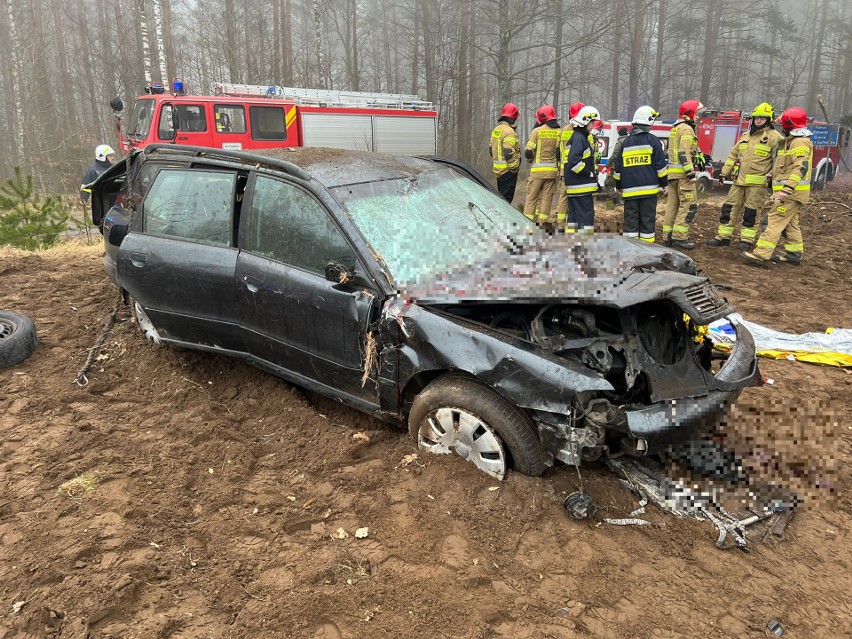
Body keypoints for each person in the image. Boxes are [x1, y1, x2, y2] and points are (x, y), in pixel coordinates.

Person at [742, 107, 813, 266]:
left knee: (773, 220)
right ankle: (794, 254)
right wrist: (773, 175)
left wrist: (787, 190)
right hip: (791, 192)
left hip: (790, 193)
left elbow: (800, 167)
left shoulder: (800, 141)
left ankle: (761, 254)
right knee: (790, 223)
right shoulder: (793, 140)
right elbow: (786, 166)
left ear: (790, 123)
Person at [708, 103, 784, 249]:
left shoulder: (775, 138)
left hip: (757, 185)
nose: (758, 121)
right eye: (756, 118)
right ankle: (723, 237)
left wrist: (773, 177)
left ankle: (746, 240)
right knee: (728, 208)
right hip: (738, 182)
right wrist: (724, 173)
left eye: (762, 118)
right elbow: (732, 155)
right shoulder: (745, 136)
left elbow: (779, 161)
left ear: (768, 120)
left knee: (751, 212)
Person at [613, 106, 668, 243]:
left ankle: (631, 252)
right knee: (647, 222)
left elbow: (618, 168)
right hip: (649, 192)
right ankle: (647, 252)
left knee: (631, 223)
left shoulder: (625, 142)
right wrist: (664, 184)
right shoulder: (653, 141)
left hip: (630, 192)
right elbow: (660, 166)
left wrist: (619, 186)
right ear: (649, 122)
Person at [663, 99, 703, 249]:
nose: (698, 117)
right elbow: (683, 152)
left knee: (672, 207)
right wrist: (690, 173)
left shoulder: (675, 128)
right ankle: (680, 237)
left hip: (672, 176)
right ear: (689, 114)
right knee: (689, 206)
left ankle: (668, 237)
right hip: (683, 176)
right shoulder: (687, 129)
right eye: (697, 114)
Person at [562, 105, 601, 233]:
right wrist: (588, 173)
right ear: (585, 122)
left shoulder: (576, 137)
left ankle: (573, 244)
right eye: (592, 122)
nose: (593, 125)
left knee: (573, 219)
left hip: (575, 187)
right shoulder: (579, 139)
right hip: (581, 188)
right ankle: (585, 245)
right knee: (585, 218)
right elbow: (574, 162)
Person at [523, 105, 560, 224]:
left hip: (537, 173)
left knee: (531, 199)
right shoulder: (560, 132)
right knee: (546, 199)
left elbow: (528, 152)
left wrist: (530, 160)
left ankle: (527, 224)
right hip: (552, 173)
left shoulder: (537, 131)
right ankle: (542, 225)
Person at [556, 101, 590, 228]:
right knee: (580, 201)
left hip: (565, 170)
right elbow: (590, 151)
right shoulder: (586, 134)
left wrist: (559, 168)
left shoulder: (563, 130)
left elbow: (558, 150)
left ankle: (561, 225)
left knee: (564, 197)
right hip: (580, 170)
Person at [489, 103, 521, 203]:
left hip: (498, 171)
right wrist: (514, 168)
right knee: (506, 201)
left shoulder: (496, 130)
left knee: (501, 198)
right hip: (508, 171)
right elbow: (508, 152)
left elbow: (491, 149)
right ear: (514, 116)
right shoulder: (509, 131)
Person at [603, 126, 630, 206]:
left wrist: (606, 166)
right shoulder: (630, 141)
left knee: (608, 184)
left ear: (619, 134)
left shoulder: (620, 141)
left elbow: (615, 155)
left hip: (617, 168)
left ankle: (618, 201)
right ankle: (625, 203)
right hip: (628, 168)